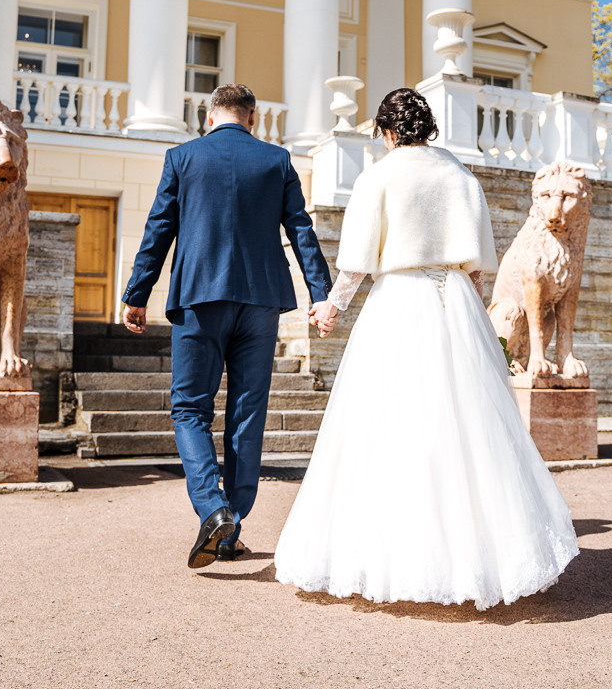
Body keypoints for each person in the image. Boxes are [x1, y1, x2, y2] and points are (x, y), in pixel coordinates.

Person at [275, 88, 579, 610]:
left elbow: (357, 259)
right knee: (469, 424)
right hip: (456, 298)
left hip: (401, 299)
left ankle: (393, 554)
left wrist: (331, 306)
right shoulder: (461, 176)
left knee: (388, 421)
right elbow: (479, 263)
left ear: (389, 132)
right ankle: (484, 554)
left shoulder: (381, 177)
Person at [121, 84, 332, 569]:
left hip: (198, 299)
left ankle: (213, 509)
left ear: (208, 117)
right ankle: (231, 523)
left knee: (190, 408)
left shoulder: (183, 157)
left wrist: (137, 294)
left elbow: (159, 229)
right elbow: (301, 229)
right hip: (260, 302)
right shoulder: (277, 160)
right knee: (247, 411)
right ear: (252, 118)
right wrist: (320, 295)